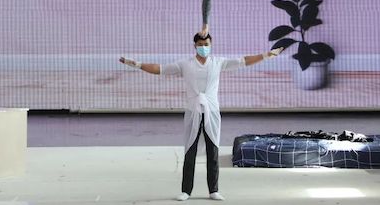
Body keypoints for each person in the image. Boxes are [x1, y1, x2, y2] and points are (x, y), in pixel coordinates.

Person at [120, 34, 282, 201]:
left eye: (206, 44)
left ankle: (213, 190)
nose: (203, 47)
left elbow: (243, 61)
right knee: (190, 150)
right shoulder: (186, 64)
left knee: (213, 150)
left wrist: (266, 55)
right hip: (193, 111)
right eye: (200, 44)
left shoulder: (218, 62)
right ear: (195, 45)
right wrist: (137, 64)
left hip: (212, 112)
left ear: (210, 44)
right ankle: (186, 190)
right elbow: (160, 69)